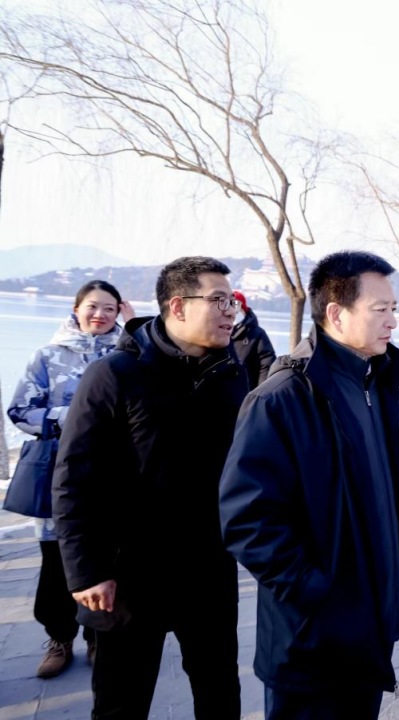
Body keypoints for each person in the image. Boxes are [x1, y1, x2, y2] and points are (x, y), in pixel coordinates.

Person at [219, 251, 399, 719]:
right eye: (380, 310)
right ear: (336, 314)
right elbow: (247, 520)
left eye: (394, 309)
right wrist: (316, 592)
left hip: (370, 630)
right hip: (311, 641)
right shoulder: (281, 399)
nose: (393, 321)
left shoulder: (379, 387)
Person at [52, 257, 248, 718]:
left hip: (209, 570)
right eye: (218, 300)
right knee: (122, 702)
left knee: (220, 694)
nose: (230, 311)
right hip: (128, 576)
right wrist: (85, 572)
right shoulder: (115, 374)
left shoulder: (231, 372)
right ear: (178, 306)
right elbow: (73, 478)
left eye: (232, 302)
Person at [6, 280, 133, 678]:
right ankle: (59, 637)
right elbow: (20, 411)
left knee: (108, 558)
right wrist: (72, 417)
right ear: (76, 309)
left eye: (110, 308)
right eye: (92, 306)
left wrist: (137, 326)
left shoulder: (129, 354)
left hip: (114, 478)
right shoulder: (47, 355)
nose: (100, 314)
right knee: (56, 561)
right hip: (59, 476)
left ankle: (97, 637)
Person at [230, 290, 277, 389]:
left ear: (243, 310)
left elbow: (267, 364)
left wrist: (260, 391)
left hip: (248, 392)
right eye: (228, 305)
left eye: (235, 306)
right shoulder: (217, 332)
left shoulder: (257, 334)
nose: (232, 311)